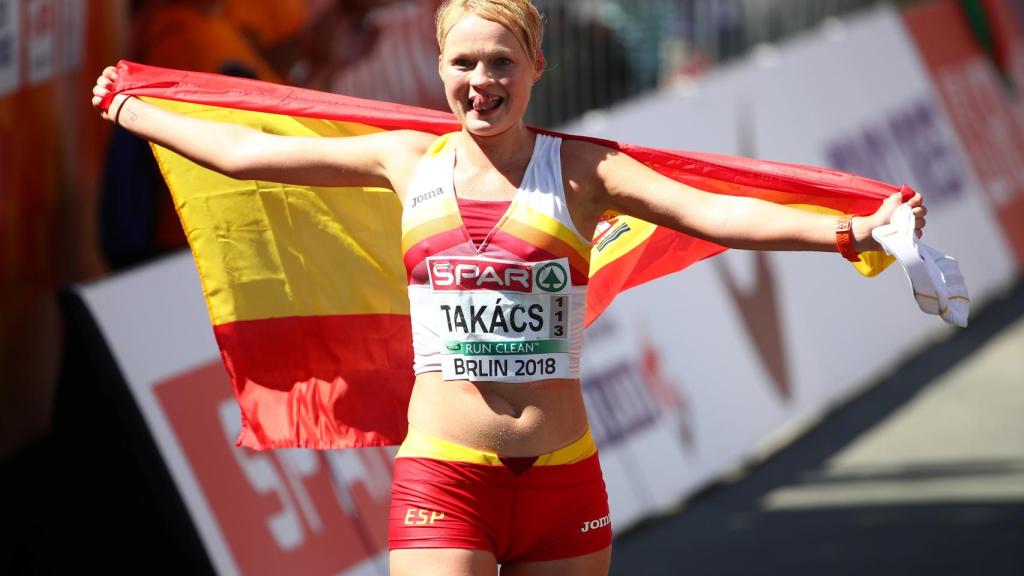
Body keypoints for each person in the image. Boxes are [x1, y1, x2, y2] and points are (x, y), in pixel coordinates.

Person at [91, 0, 927, 574]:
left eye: (501, 62)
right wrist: (133, 108)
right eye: (464, 63)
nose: (481, 81)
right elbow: (249, 155)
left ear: (536, 66)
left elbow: (712, 213)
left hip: (565, 481)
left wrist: (843, 231)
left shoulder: (589, 170)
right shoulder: (402, 159)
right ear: (440, 66)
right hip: (446, 478)